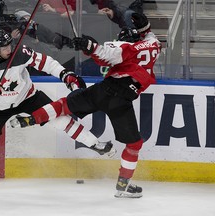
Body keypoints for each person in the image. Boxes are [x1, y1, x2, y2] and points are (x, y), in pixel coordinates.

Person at [9, 13, 161, 198]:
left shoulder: (123, 46)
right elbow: (148, 37)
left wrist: (89, 47)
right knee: (134, 144)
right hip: (122, 100)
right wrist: (145, 27)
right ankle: (123, 185)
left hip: (105, 90)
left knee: (64, 105)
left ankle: (31, 119)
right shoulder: (154, 45)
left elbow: (104, 55)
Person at [0, 28, 116, 191]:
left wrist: (65, 74)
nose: (9, 49)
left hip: (28, 97)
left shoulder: (20, 52)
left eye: (10, 44)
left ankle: (95, 144)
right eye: (4, 47)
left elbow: (46, 63)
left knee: (61, 119)